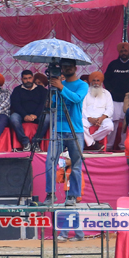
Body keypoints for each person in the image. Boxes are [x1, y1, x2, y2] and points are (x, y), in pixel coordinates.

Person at [46, 62, 88, 205]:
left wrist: (60, 87)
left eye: (70, 66)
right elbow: (53, 105)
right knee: (50, 161)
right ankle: (50, 194)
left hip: (75, 129)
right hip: (57, 129)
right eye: (64, 66)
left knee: (76, 164)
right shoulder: (58, 84)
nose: (67, 68)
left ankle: (73, 196)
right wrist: (52, 91)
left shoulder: (82, 85)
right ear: (61, 69)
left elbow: (77, 99)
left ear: (75, 68)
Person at [103, 42, 129, 124]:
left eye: (125, 51)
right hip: (115, 99)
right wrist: (111, 90)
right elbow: (106, 79)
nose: (124, 53)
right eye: (121, 51)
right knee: (113, 122)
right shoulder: (113, 64)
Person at [9, 69, 50, 151]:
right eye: (25, 78)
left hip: (37, 114)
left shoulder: (41, 89)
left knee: (47, 118)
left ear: (33, 78)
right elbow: (16, 104)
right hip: (22, 115)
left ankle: (36, 141)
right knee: (13, 118)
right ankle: (25, 142)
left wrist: (35, 115)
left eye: (29, 78)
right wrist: (25, 115)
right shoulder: (17, 90)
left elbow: (43, 104)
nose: (28, 80)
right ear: (21, 79)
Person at [82, 71, 116, 149]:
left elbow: (110, 108)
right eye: (94, 80)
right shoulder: (85, 93)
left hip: (102, 118)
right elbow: (82, 108)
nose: (96, 83)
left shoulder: (106, 93)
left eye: (98, 80)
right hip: (88, 118)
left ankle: (89, 141)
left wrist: (101, 118)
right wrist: (89, 118)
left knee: (109, 126)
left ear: (101, 82)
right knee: (79, 124)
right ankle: (93, 144)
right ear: (91, 82)